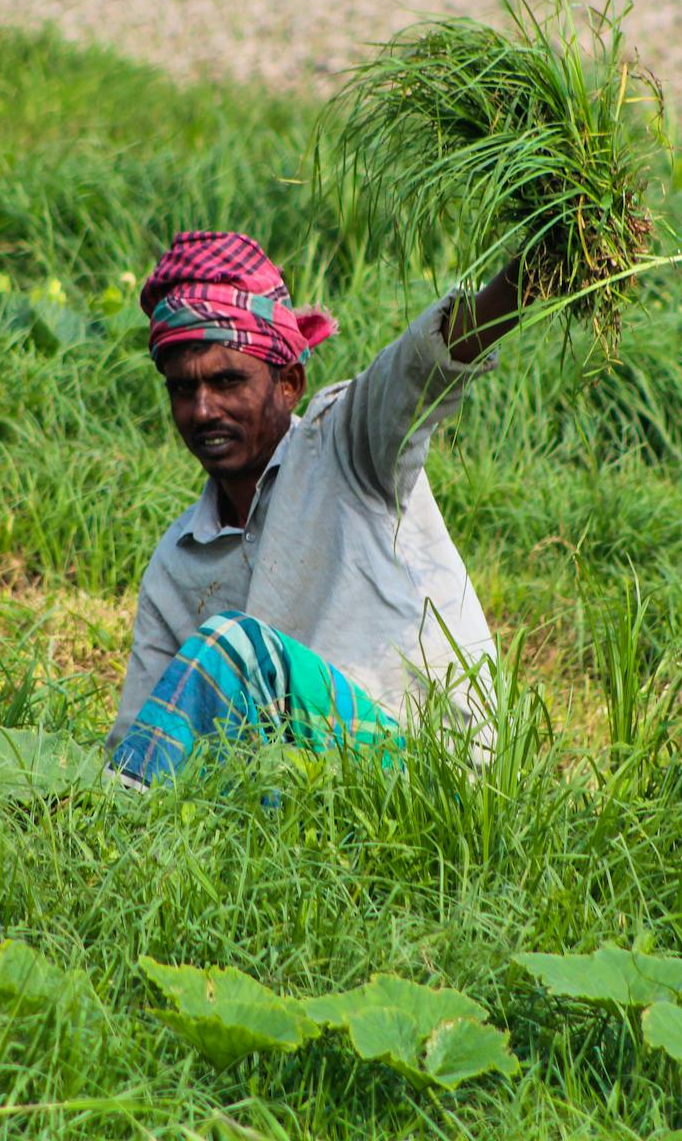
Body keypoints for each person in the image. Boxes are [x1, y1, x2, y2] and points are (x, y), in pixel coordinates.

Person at [104, 230, 527, 788]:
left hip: (431, 777)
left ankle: (114, 829)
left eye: (228, 381)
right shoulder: (177, 563)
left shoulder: (348, 442)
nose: (203, 410)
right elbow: (141, 736)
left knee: (237, 645)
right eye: (183, 389)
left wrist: (527, 279)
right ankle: (112, 838)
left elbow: (423, 366)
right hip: (304, 791)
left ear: (289, 384)